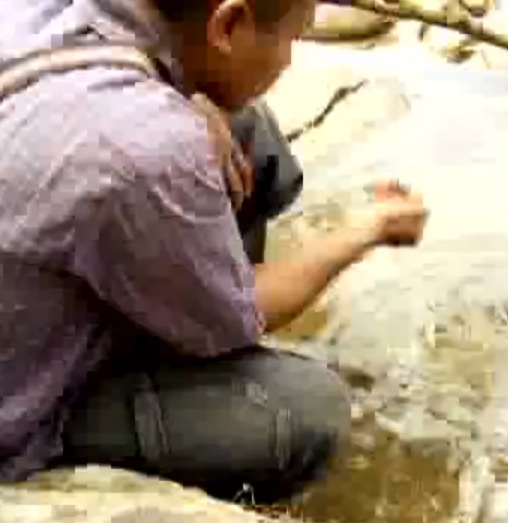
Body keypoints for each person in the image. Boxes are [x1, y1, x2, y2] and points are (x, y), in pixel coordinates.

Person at [0, 0, 428, 504]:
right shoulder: (145, 146)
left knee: (247, 129)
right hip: (22, 400)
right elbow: (247, 309)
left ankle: (188, 316)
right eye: (294, 37)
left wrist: (191, 99)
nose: (290, 59)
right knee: (305, 411)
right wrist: (364, 231)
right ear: (227, 24)